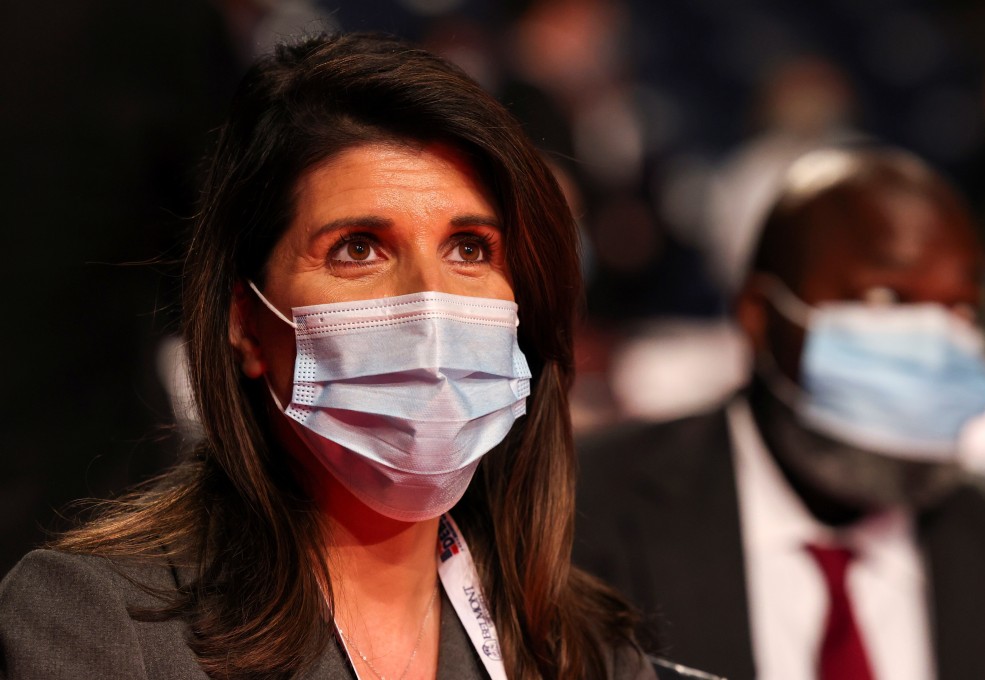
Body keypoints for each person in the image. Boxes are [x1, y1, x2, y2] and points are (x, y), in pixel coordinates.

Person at [0, 33, 661, 680]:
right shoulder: (100, 622)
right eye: (358, 248)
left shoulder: (585, 652)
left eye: (469, 249)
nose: (429, 305)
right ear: (245, 322)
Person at [574, 147, 985, 680]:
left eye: (961, 307)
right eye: (883, 298)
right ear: (759, 316)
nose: (935, 338)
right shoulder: (583, 514)